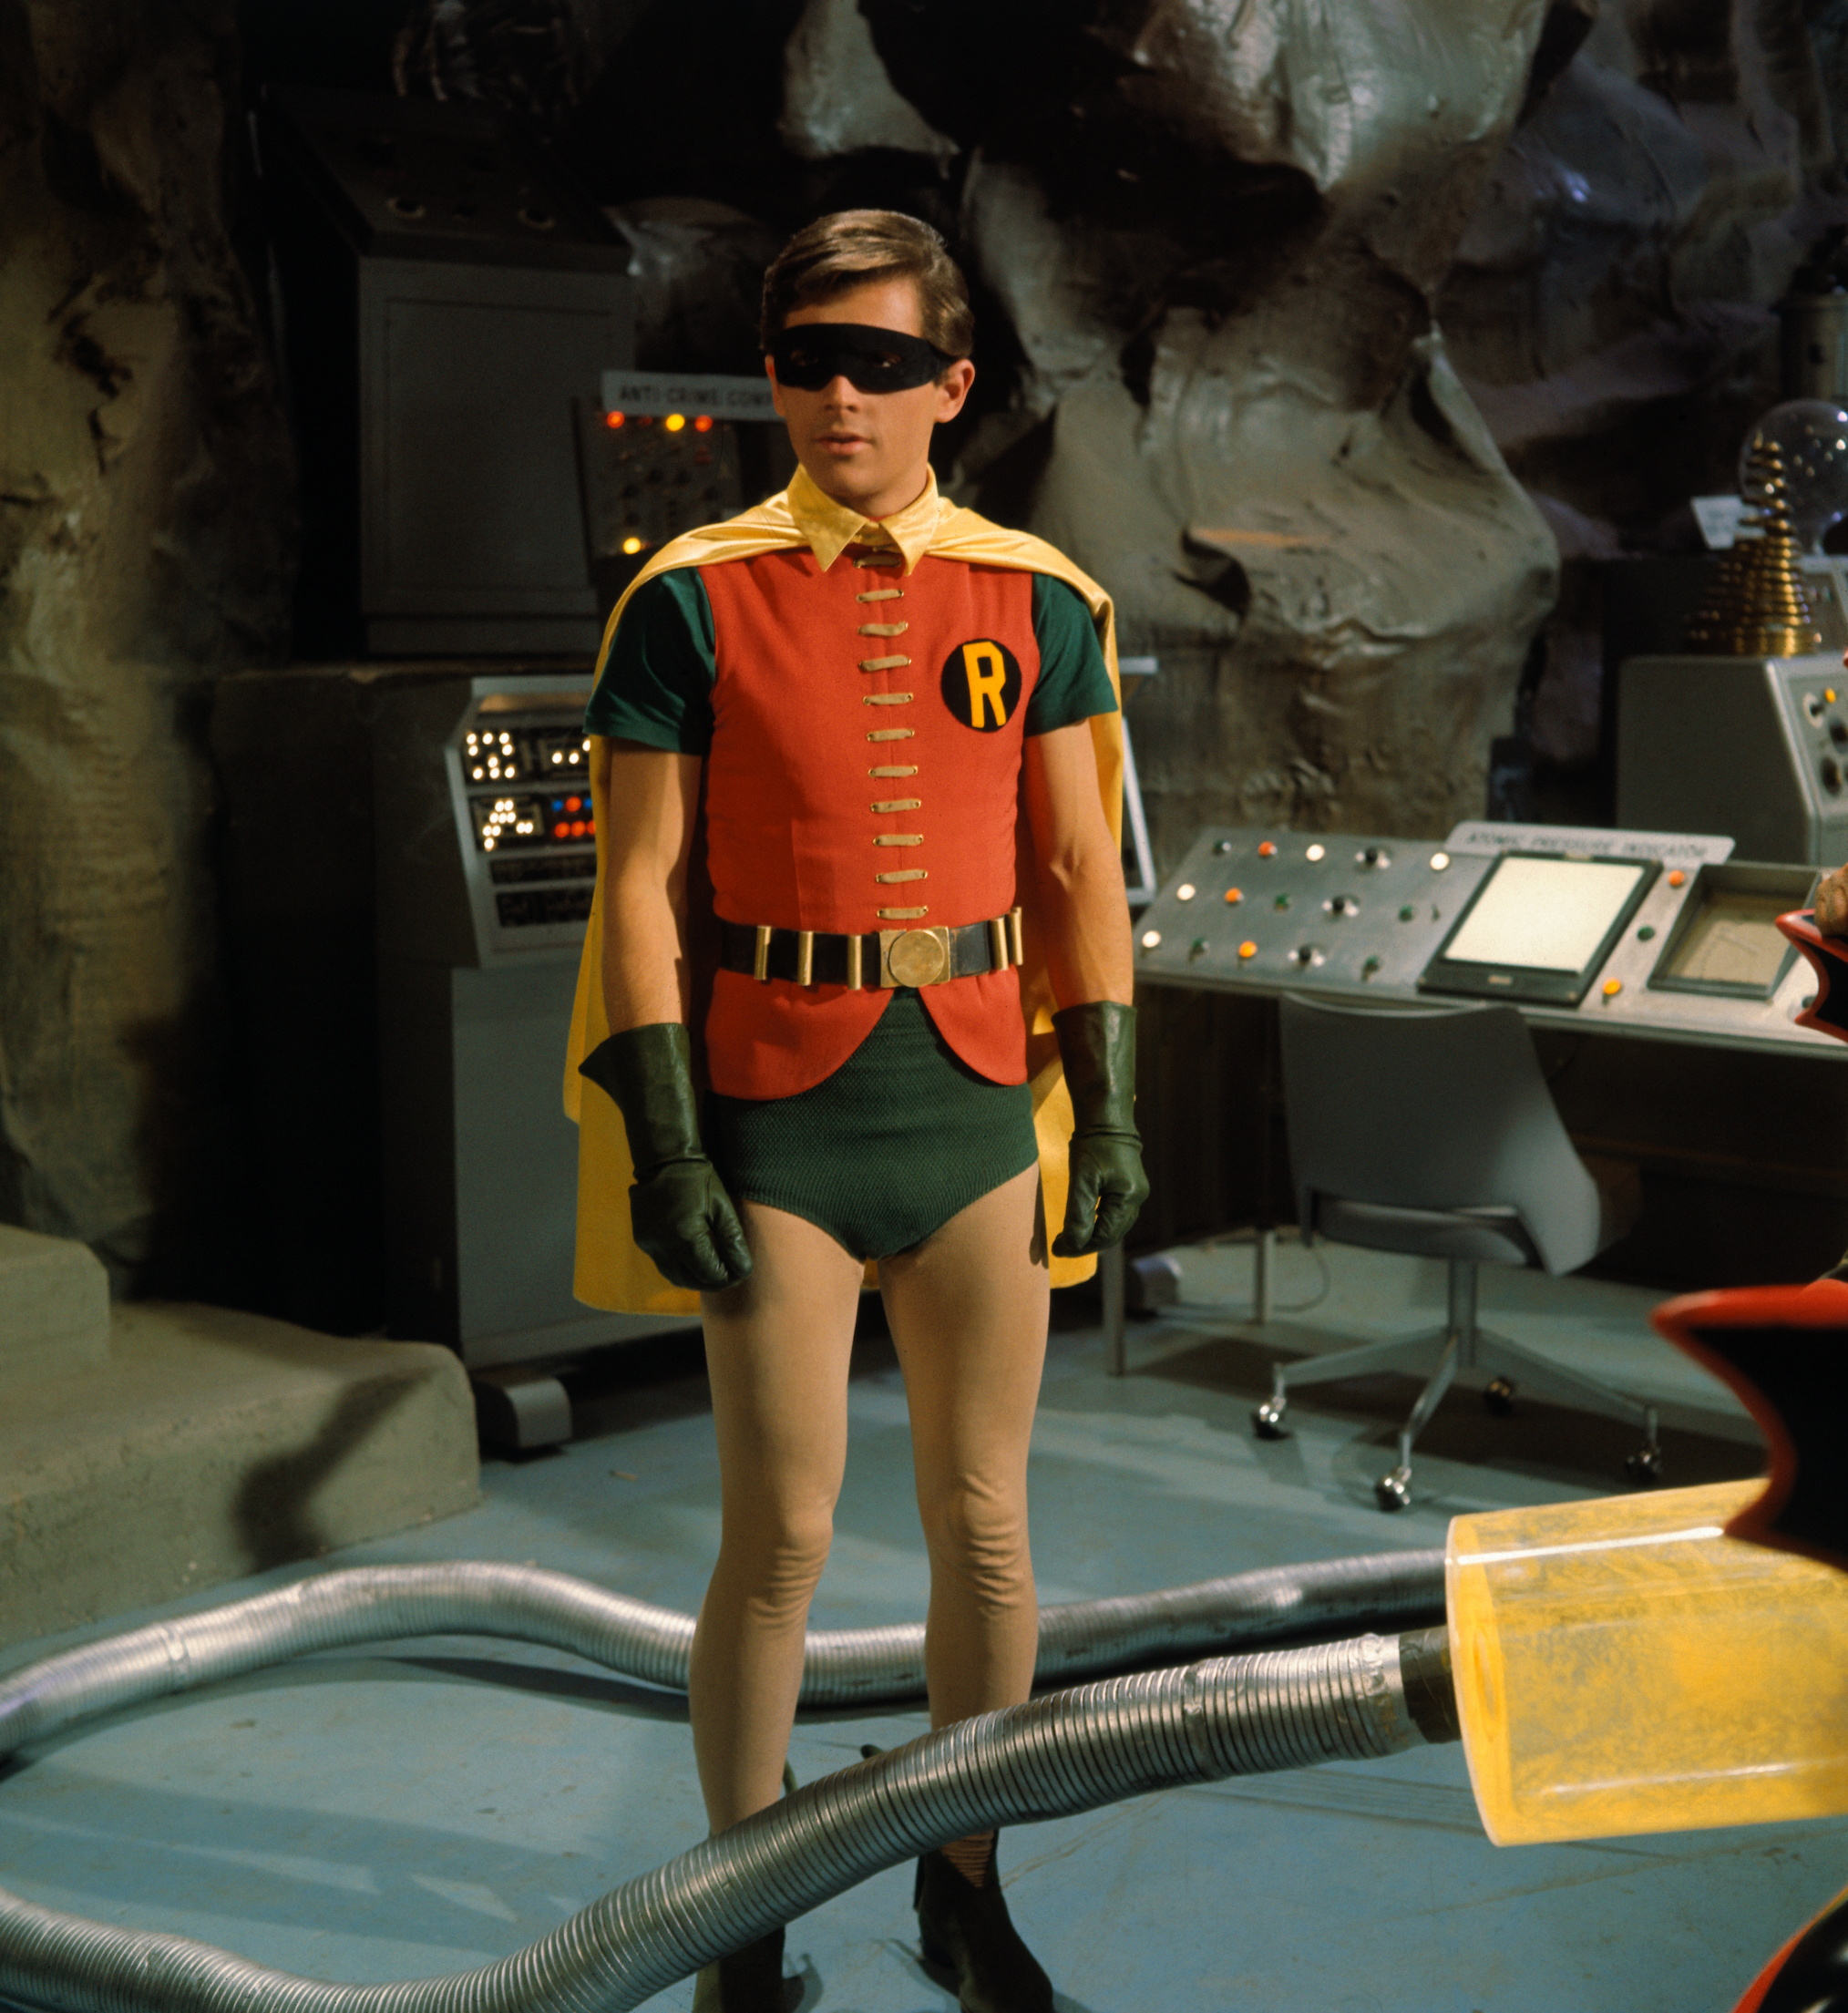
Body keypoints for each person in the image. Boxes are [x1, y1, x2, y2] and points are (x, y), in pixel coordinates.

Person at [563, 210, 1146, 2013]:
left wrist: (1113, 1107)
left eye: (882, 365)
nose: (843, 398)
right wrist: (668, 1138)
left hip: (973, 1105)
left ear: (951, 384)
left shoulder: (1039, 598)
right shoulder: (690, 597)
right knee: (782, 1538)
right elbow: (640, 888)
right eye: (811, 363)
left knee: (988, 1522)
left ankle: (965, 1887)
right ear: (773, 378)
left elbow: (1079, 867)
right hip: (772, 1111)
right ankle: (739, 1920)